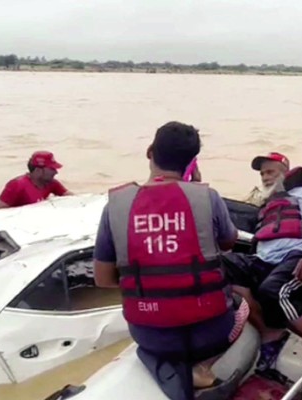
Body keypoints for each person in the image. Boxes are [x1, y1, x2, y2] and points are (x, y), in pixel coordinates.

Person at [93, 121, 239, 400]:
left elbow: (103, 279)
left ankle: (172, 368)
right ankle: (204, 366)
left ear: (150, 152)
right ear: (192, 163)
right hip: (211, 331)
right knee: (242, 301)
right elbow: (228, 243)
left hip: (149, 334)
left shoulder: (115, 206)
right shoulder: (207, 197)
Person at [222, 152, 302, 392]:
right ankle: (271, 333)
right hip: (263, 259)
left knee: (273, 290)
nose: (265, 177)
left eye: (271, 171)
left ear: (285, 171)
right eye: (263, 173)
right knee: (222, 267)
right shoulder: (268, 204)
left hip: (295, 256)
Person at [0, 151, 73, 209]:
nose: (55, 172)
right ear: (38, 170)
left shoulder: (52, 183)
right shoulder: (17, 185)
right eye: (52, 169)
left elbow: (73, 198)